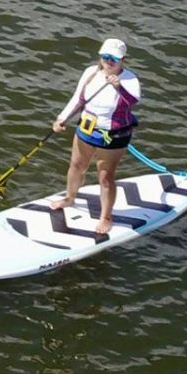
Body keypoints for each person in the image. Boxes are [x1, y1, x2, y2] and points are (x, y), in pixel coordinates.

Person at [50, 38, 142, 238]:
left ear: (122, 59)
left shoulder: (129, 80)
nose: (108, 61)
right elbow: (78, 98)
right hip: (86, 128)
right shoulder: (91, 72)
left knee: (105, 177)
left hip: (114, 135)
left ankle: (106, 217)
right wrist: (62, 118)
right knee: (76, 166)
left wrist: (119, 87)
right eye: (105, 57)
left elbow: (132, 101)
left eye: (113, 59)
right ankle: (70, 198)